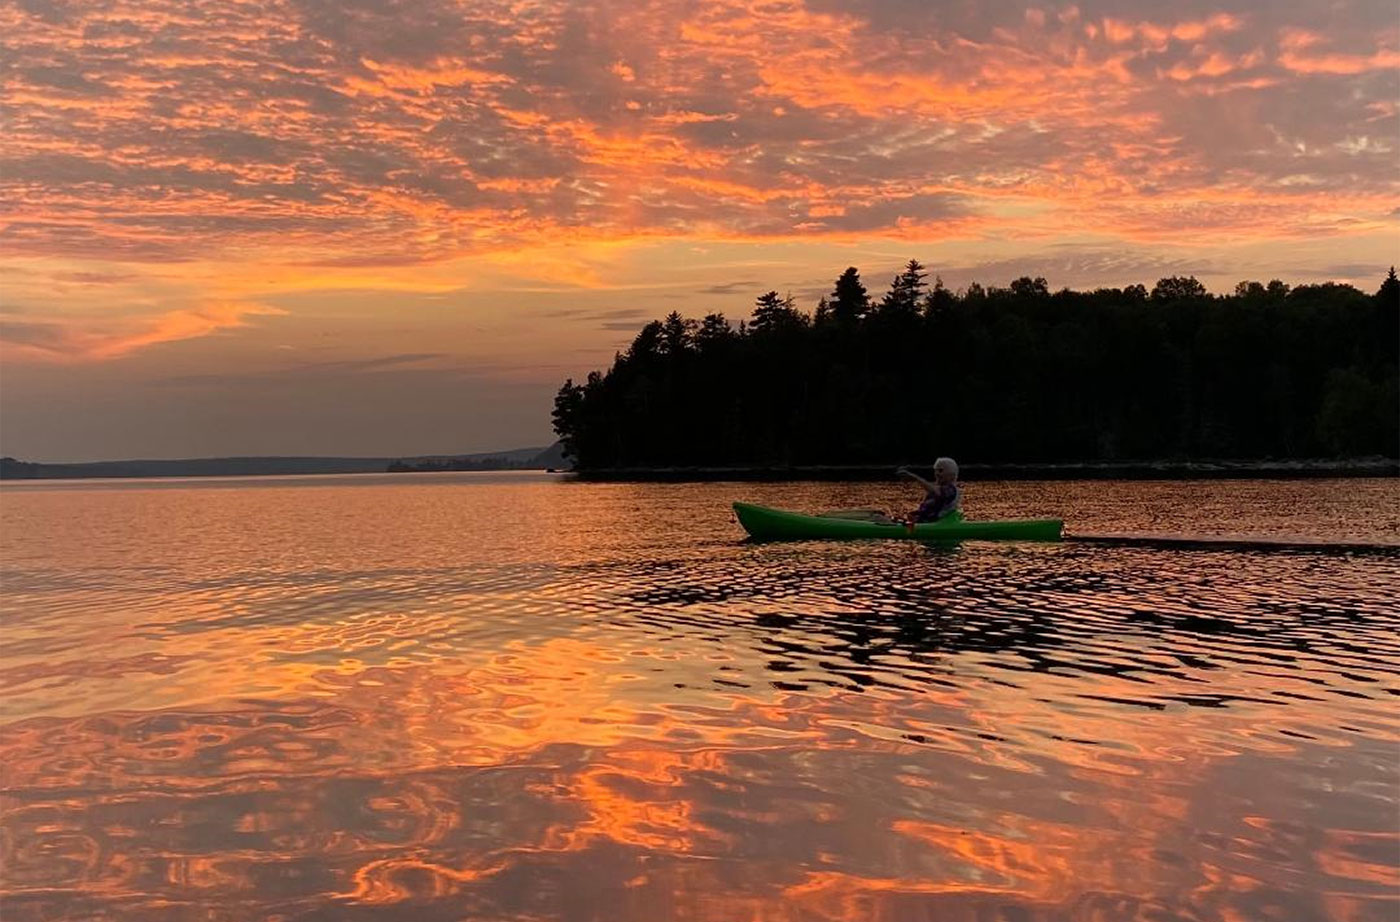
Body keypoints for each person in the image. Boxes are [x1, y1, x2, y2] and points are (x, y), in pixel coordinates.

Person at [899, 458, 960, 523]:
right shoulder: (935, 490)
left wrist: (915, 478)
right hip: (923, 523)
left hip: (936, 524)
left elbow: (937, 492)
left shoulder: (951, 490)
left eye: (940, 471)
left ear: (952, 475)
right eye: (935, 471)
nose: (936, 474)